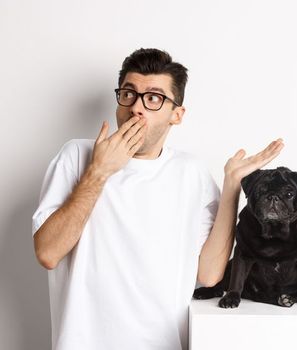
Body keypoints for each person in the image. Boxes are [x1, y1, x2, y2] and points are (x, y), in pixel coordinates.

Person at [31, 48, 284, 350]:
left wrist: (231, 187)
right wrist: (98, 172)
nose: (137, 107)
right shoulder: (77, 156)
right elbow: (48, 252)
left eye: (153, 98)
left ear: (176, 114)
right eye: (129, 93)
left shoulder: (191, 173)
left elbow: (209, 273)